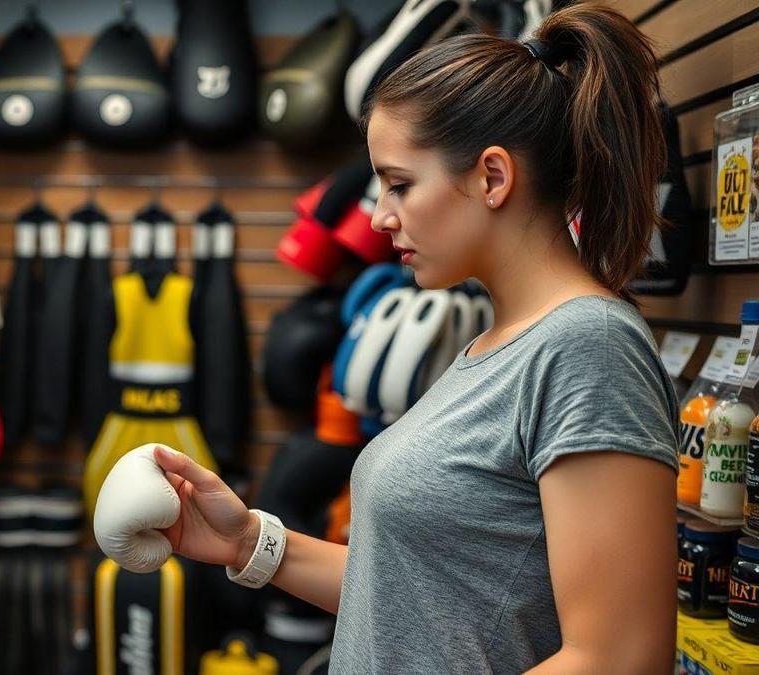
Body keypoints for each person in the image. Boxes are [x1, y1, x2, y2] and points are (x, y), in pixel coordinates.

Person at [149, 4, 677, 672]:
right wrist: (246, 541)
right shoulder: (494, 347)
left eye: (399, 184)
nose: (379, 216)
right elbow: (414, 599)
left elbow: (619, 658)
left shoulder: (587, 348)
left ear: (492, 176)